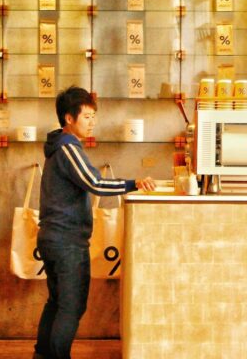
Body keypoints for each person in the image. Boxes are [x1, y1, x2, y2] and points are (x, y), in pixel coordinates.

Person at [34, 86, 156, 359]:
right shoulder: (68, 148)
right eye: (87, 116)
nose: (93, 122)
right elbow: (95, 183)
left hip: (54, 238)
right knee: (71, 307)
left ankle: (42, 355)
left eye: (93, 116)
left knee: (57, 303)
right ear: (69, 118)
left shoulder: (59, 147)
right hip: (66, 242)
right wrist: (133, 184)